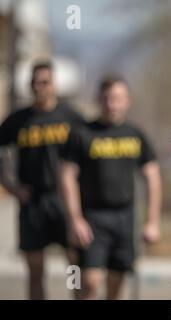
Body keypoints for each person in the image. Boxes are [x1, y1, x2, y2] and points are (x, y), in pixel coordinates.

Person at [60, 75, 162, 300]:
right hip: (92, 218)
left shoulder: (135, 134)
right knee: (89, 281)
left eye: (117, 98)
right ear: (98, 99)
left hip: (125, 219)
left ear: (127, 100)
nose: (112, 104)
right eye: (107, 98)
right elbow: (67, 176)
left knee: (116, 285)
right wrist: (75, 218)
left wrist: (152, 221)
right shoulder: (82, 133)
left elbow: (152, 176)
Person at [0, 61, 83, 299]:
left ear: (54, 85)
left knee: (76, 267)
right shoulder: (18, 120)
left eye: (44, 82)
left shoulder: (71, 118)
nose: (39, 87)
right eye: (35, 83)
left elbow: (87, 154)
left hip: (65, 202)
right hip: (33, 203)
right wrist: (12, 188)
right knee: (35, 271)